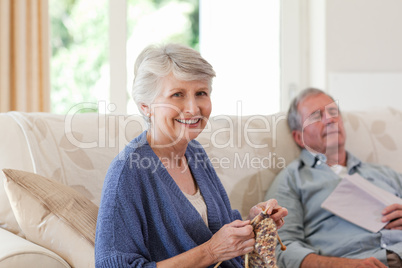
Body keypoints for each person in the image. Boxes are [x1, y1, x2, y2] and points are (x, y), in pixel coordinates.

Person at [95, 43, 288, 267]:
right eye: (177, 94)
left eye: (201, 93)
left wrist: (253, 222)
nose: (193, 109)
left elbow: (216, 234)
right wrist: (212, 251)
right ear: (145, 106)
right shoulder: (127, 172)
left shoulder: (194, 152)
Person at [265, 87, 402, 268]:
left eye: (333, 112)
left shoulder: (385, 173)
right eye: (316, 116)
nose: (330, 120)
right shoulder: (292, 180)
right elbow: (280, 248)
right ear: (299, 137)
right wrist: (346, 265)